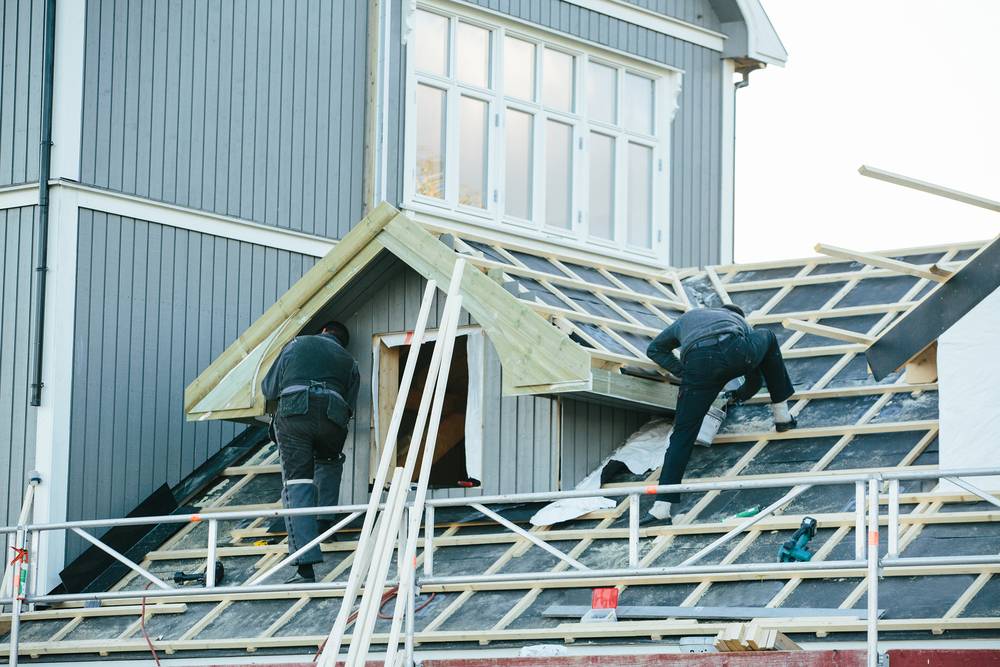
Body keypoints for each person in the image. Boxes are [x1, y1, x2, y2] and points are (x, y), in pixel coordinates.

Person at [644, 304, 796, 525]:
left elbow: (655, 349)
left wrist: (685, 373)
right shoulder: (740, 323)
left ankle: (661, 508)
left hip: (697, 363)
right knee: (769, 336)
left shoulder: (690, 317)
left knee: (682, 436)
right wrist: (738, 396)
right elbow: (755, 380)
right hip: (735, 352)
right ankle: (782, 416)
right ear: (737, 315)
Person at [262, 321, 360, 583]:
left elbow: (269, 389)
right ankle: (325, 522)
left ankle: (305, 565)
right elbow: (350, 406)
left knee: (298, 483)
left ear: (324, 331)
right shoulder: (350, 362)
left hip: (296, 412)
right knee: (329, 461)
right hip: (333, 416)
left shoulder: (297, 343)